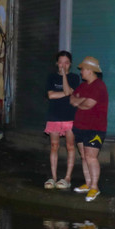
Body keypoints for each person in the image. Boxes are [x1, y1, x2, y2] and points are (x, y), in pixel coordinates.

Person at [69, 56, 108, 202]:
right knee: (84, 156)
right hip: (80, 126)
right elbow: (72, 99)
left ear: (91, 70)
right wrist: (80, 101)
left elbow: (88, 104)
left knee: (91, 157)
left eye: (83, 69)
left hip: (95, 128)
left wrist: (80, 101)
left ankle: (95, 187)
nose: (81, 72)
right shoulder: (83, 85)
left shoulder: (99, 86)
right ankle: (89, 183)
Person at [43, 51, 80, 189]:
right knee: (54, 146)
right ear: (56, 63)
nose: (63, 65)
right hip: (54, 116)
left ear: (70, 64)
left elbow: (69, 92)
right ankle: (53, 177)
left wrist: (64, 75)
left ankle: (67, 178)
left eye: (66, 62)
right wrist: (64, 93)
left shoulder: (75, 78)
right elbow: (50, 95)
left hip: (70, 117)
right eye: (60, 62)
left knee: (70, 146)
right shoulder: (51, 77)